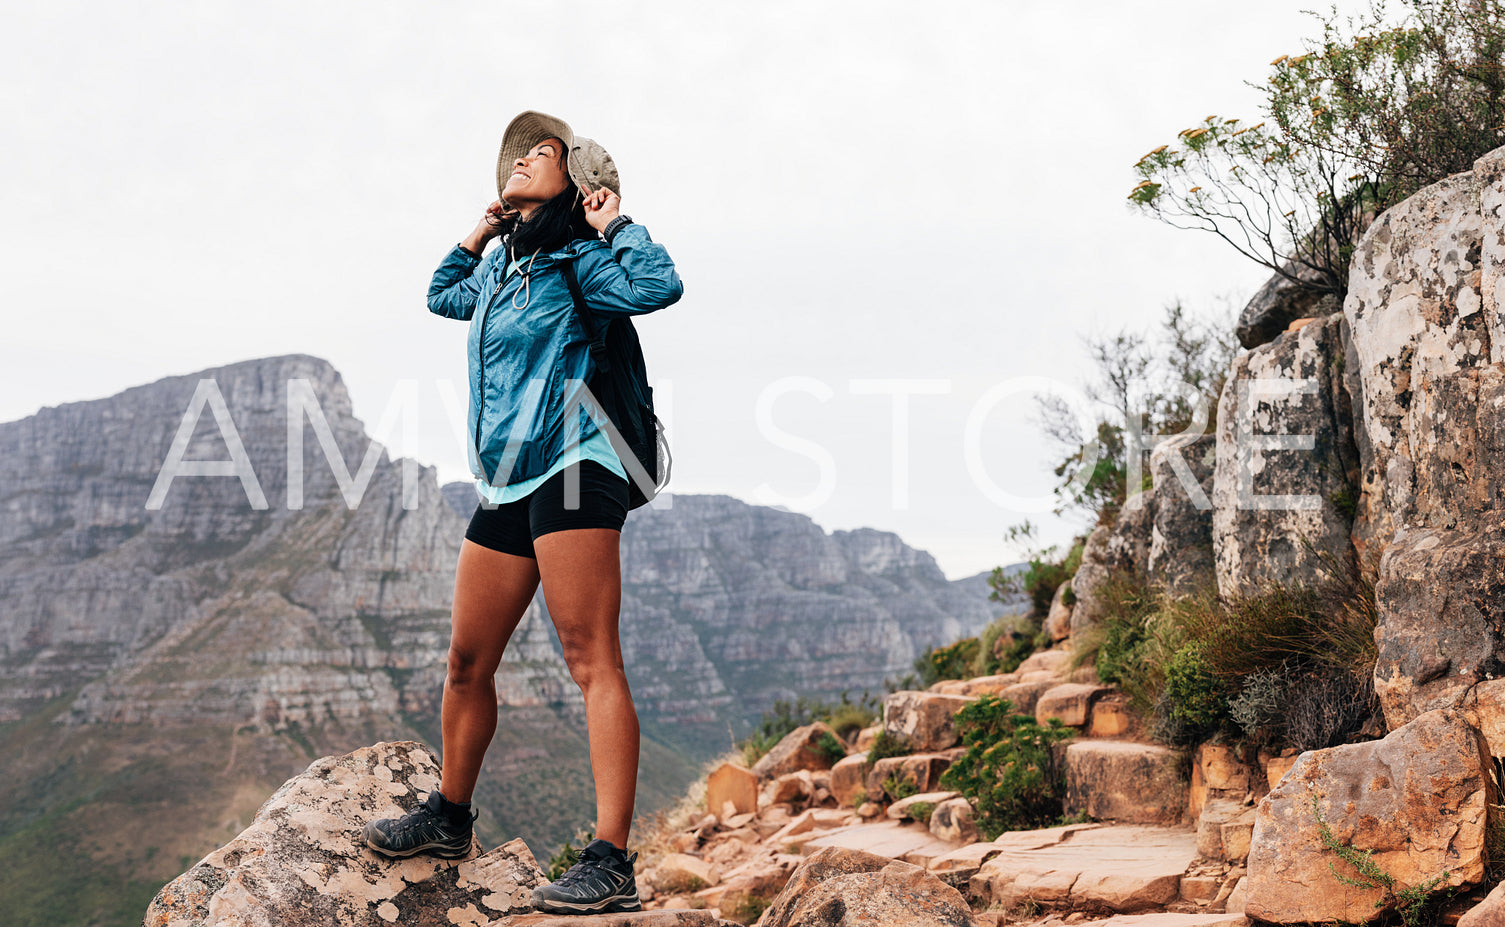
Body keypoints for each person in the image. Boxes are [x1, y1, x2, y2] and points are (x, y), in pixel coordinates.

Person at [363, 110, 683, 916]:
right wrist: (478, 231)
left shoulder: (583, 261)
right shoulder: (502, 271)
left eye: (543, 155)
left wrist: (616, 224)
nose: (522, 161)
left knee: (588, 656)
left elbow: (658, 285)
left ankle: (609, 860)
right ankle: (449, 818)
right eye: (517, 156)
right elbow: (441, 295)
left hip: (578, 461)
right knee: (467, 659)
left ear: (575, 186)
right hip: (507, 478)